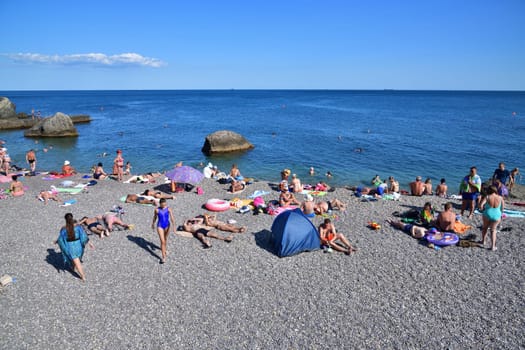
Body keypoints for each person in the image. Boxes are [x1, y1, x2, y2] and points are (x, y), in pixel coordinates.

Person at [56, 213, 93, 281]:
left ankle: (83, 276)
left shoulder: (64, 229)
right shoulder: (78, 227)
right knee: (76, 259)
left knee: (76, 261)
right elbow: (83, 236)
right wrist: (88, 242)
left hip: (70, 247)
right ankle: (72, 268)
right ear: (72, 218)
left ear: (65, 220)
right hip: (78, 245)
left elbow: (60, 239)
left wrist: (57, 241)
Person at [479, 185, 504, 251]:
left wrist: (482, 209)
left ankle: (483, 241)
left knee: (485, 228)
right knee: (493, 230)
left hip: (487, 213)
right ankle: (493, 246)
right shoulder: (500, 198)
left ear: (489, 190)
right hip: (497, 215)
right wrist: (500, 214)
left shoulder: (487, 197)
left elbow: (480, 205)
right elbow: (502, 208)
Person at [151, 198, 175, 264]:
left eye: (165, 204)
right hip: (160, 226)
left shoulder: (168, 209)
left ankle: (165, 249)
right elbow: (155, 217)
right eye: (163, 204)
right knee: (162, 241)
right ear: (160, 204)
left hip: (167, 225)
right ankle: (163, 257)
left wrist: (174, 226)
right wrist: (153, 224)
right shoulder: (157, 210)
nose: (164, 205)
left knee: (165, 239)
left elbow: (172, 217)